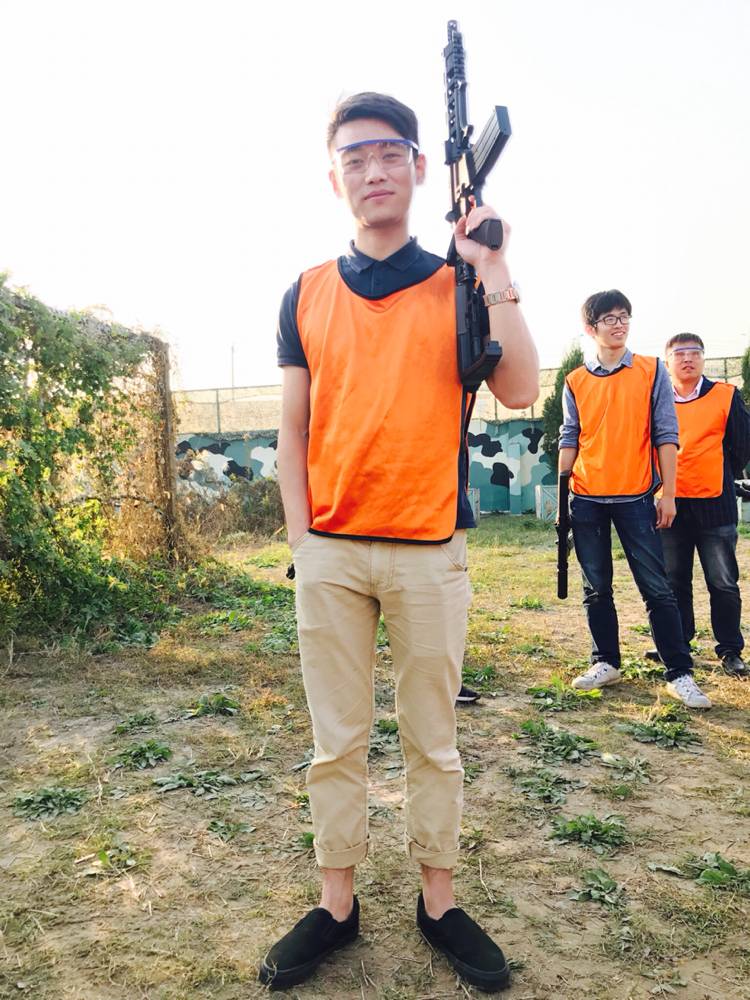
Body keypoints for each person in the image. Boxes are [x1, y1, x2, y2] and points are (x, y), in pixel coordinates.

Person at [259, 92, 538, 992]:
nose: (372, 171)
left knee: (433, 741)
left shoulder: (459, 283)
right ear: (334, 176)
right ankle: (335, 904)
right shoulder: (305, 291)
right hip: (333, 552)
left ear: (420, 167)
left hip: (428, 547)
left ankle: (439, 903)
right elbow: (294, 432)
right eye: (355, 158)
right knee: (334, 742)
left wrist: (493, 263)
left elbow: (522, 389)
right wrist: (303, 541)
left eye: (388, 154)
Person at [559, 290, 711, 709]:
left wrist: (668, 492)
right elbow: (570, 437)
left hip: (636, 496)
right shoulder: (575, 380)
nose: (619, 324)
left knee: (657, 588)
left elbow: (666, 433)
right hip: (586, 497)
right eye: (609, 318)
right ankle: (605, 661)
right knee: (596, 587)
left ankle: (679, 671)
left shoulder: (651, 369)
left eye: (624, 316)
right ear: (590, 327)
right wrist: (561, 495)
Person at [646, 333, 750, 676]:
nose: (687, 359)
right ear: (667, 362)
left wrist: (718, 474)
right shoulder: (655, 400)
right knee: (673, 581)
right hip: (669, 505)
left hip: (715, 506)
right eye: (679, 354)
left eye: (694, 353)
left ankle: (730, 649)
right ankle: (678, 643)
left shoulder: (726, 395)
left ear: (704, 359)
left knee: (723, 582)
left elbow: (741, 446)